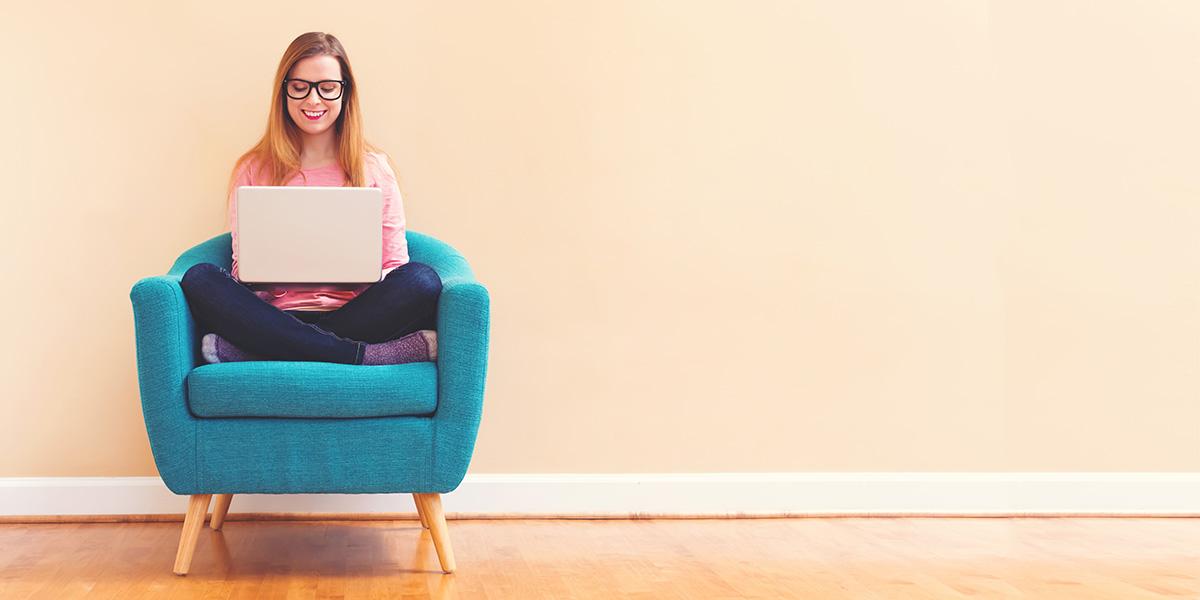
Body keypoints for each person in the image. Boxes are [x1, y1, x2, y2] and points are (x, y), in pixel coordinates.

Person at [181, 32, 441, 366]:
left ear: (345, 92)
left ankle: (258, 353)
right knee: (199, 278)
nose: (313, 100)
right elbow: (242, 268)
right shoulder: (253, 167)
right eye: (300, 87)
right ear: (284, 91)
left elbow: (394, 266)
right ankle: (362, 355)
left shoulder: (374, 168)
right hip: (271, 316)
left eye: (327, 87)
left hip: (357, 316)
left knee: (422, 280)